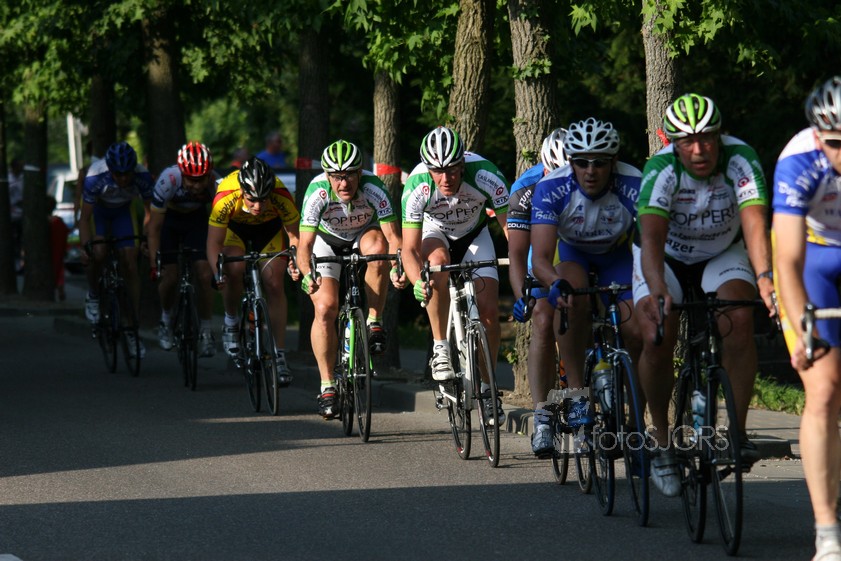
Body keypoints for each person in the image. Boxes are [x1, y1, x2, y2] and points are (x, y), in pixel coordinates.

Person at [633, 93, 775, 498]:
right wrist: (657, 289)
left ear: (720, 135)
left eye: (707, 138)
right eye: (687, 141)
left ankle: (738, 433)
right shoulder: (661, 169)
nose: (699, 150)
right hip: (666, 256)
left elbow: (754, 224)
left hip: (721, 251)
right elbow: (651, 240)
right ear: (673, 143)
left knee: (739, 317)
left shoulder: (740, 159)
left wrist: (765, 279)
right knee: (656, 333)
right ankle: (661, 439)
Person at [530, 118, 642, 455]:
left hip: (617, 256)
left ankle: (634, 415)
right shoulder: (552, 187)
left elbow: (650, 243)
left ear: (614, 162)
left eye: (600, 162)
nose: (590, 171)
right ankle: (577, 395)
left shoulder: (634, 182)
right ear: (571, 162)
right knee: (571, 295)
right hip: (574, 255)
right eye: (581, 162)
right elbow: (541, 258)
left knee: (637, 328)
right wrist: (554, 283)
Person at [773, 76, 841, 561]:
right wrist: (803, 330)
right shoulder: (799, 160)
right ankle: (827, 530)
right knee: (824, 388)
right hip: (814, 260)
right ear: (819, 136)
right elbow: (789, 261)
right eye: (836, 143)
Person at [401, 125, 510, 424]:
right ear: (428, 169)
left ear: (463, 164)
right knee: (437, 261)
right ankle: (440, 346)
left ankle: (488, 388)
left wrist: (522, 268)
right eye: (438, 171)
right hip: (435, 234)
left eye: (451, 170)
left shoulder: (485, 174)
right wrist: (417, 282)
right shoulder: (418, 185)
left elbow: (511, 231)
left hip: (475, 235)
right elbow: (409, 249)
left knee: (489, 313)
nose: (445, 178)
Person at [296, 140, 405, 419]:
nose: (343, 183)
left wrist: (397, 266)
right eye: (336, 177)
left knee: (378, 251)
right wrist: (307, 274)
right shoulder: (317, 191)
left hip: (362, 235)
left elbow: (393, 237)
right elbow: (304, 245)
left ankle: (373, 320)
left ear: (360, 173)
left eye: (349, 176)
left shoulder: (374, 187)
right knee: (325, 308)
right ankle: (327, 386)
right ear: (327, 175)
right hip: (326, 242)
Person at [207, 156, 300, 384]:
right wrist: (217, 272)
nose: (258, 206)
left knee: (274, 283)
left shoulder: (281, 193)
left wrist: (295, 261)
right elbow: (213, 243)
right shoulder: (226, 195)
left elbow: (295, 236)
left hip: (269, 230)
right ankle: (231, 320)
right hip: (235, 229)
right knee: (234, 267)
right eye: (252, 200)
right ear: (242, 191)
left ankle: (279, 355)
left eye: (264, 200)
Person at [507, 127, 570, 456]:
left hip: (579, 249)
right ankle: (543, 417)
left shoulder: (591, 177)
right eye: (553, 174)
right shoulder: (526, 188)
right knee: (543, 320)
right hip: (542, 254)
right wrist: (523, 297)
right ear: (544, 167)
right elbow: (518, 254)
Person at [79, 141, 154, 359]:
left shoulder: (142, 175)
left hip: (123, 212)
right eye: (118, 174)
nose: (123, 178)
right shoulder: (95, 176)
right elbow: (84, 219)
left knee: (130, 261)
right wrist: (85, 247)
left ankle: (131, 325)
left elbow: (150, 213)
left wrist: (146, 239)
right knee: (98, 252)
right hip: (99, 212)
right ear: (110, 169)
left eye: (127, 173)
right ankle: (94, 294)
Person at [147, 142, 220, 358]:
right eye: (191, 180)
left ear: (209, 174)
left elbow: (222, 223)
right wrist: (153, 264)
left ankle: (206, 331)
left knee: (205, 274)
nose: (196, 186)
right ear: (181, 173)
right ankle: (165, 320)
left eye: (201, 179)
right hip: (169, 222)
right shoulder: (168, 180)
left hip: (196, 221)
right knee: (169, 277)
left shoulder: (216, 183)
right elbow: (154, 228)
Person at [47, 196, 69, 301]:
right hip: (58, 250)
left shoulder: (45, 223)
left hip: (50, 251)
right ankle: (60, 291)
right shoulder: (58, 222)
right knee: (59, 271)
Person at [8, 158, 23, 272]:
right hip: (11, 215)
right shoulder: (8, 178)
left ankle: (21, 263)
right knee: (13, 240)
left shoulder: (23, 178)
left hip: (22, 214)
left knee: (21, 240)